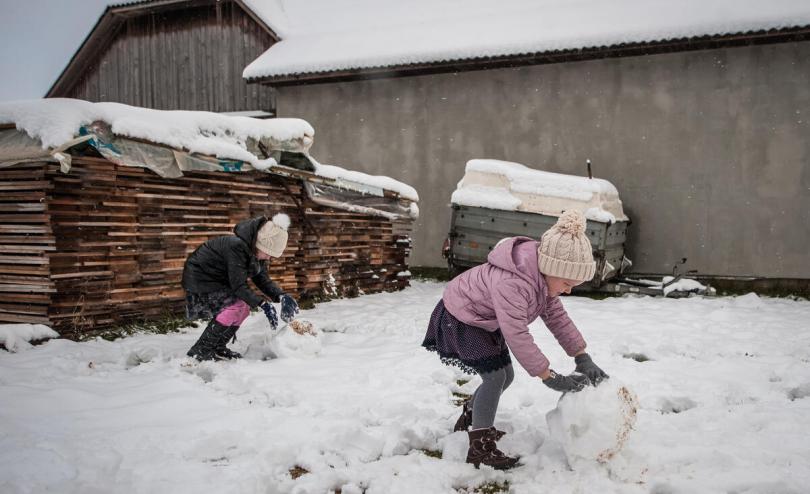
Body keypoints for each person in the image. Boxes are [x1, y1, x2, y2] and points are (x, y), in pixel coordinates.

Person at [422, 210, 608, 470]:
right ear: (551, 268)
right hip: (462, 317)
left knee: (505, 377)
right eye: (567, 282)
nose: (569, 289)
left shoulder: (542, 281)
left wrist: (582, 356)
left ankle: (472, 418)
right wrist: (549, 376)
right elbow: (517, 333)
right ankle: (480, 448)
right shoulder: (514, 283)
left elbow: (558, 320)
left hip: (482, 319)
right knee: (495, 377)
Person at [182, 214, 299, 361]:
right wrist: (262, 304)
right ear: (260, 244)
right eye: (268, 253)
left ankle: (218, 347)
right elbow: (238, 286)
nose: (269, 258)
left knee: (243, 308)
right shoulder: (236, 247)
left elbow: (262, 279)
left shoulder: (255, 252)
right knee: (235, 307)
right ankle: (201, 350)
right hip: (202, 278)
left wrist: (281, 296)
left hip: (220, 280)